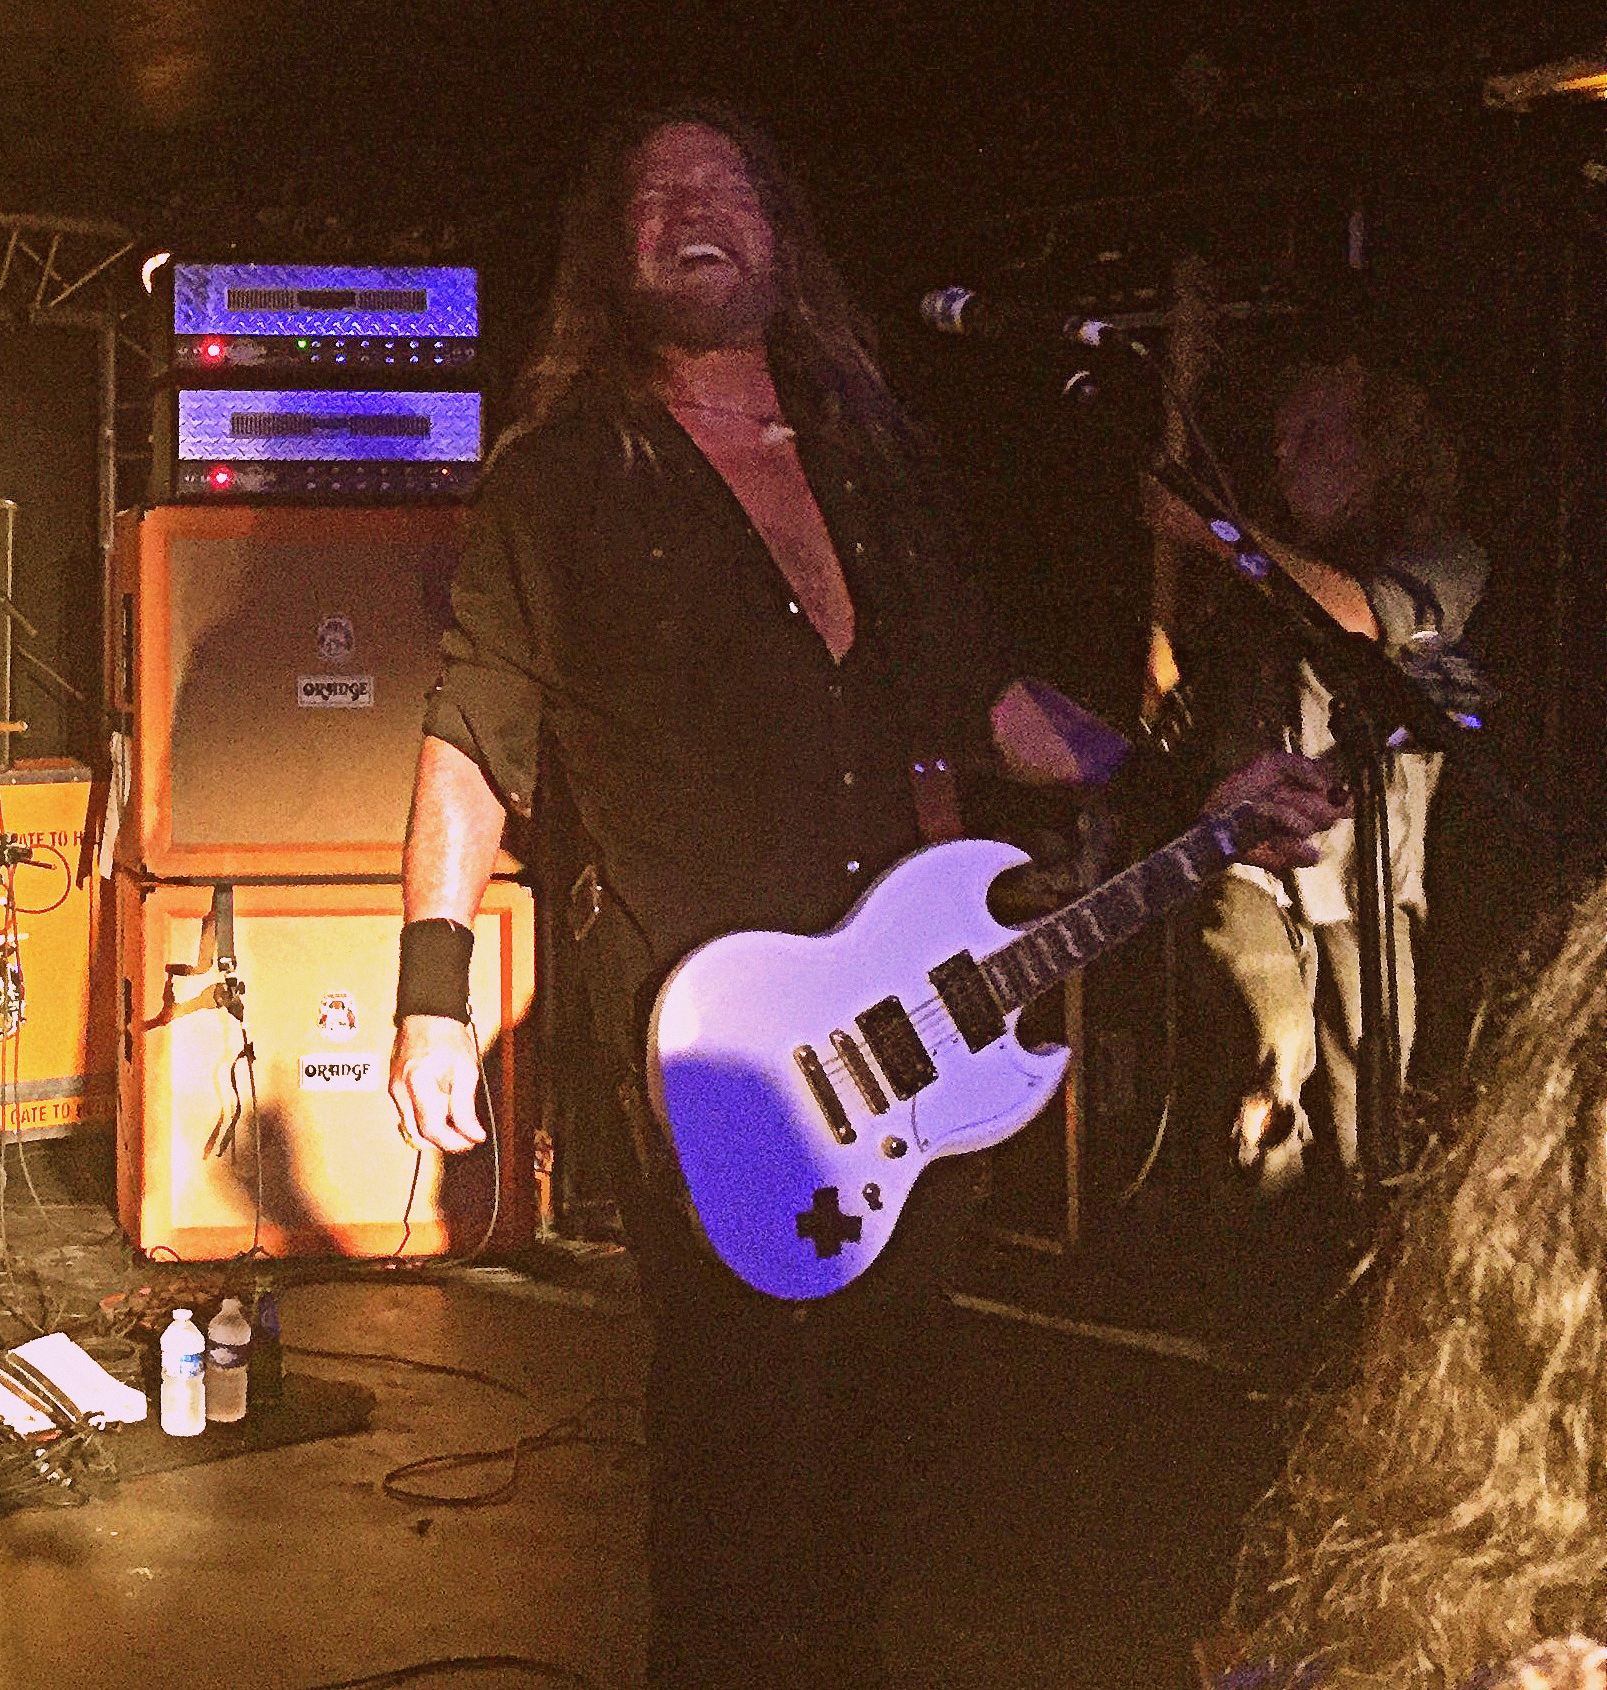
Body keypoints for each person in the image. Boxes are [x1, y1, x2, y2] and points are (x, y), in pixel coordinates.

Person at [384, 104, 1344, 1690]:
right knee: (732, 1429)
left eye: (721, 183)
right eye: (651, 194)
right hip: (699, 1021)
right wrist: (430, 999)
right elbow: (471, 731)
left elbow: (986, 697)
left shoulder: (871, 460)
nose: (687, 207)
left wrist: (1188, 792)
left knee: (881, 1423)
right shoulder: (554, 481)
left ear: (777, 232)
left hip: (907, 1016)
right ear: (609, 253)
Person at [1221, 868, 1607, 1687]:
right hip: (1260, 877)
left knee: (1373, 1070)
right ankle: (1267, 1238)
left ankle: (1355, 1260)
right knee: (1280, 1048)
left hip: (1361, 887)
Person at [1147, 347, 1485, 1193]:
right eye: (1279, 436)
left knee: (1372, 1123)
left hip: (1367, 884)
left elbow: (1356, 617)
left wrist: (1213, 530)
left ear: (1381, 453)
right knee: (1270, 1061)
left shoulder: (1443, 556)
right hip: (1251, 865)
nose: (1284, 453)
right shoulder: (1254, 577)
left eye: (1313, 434)